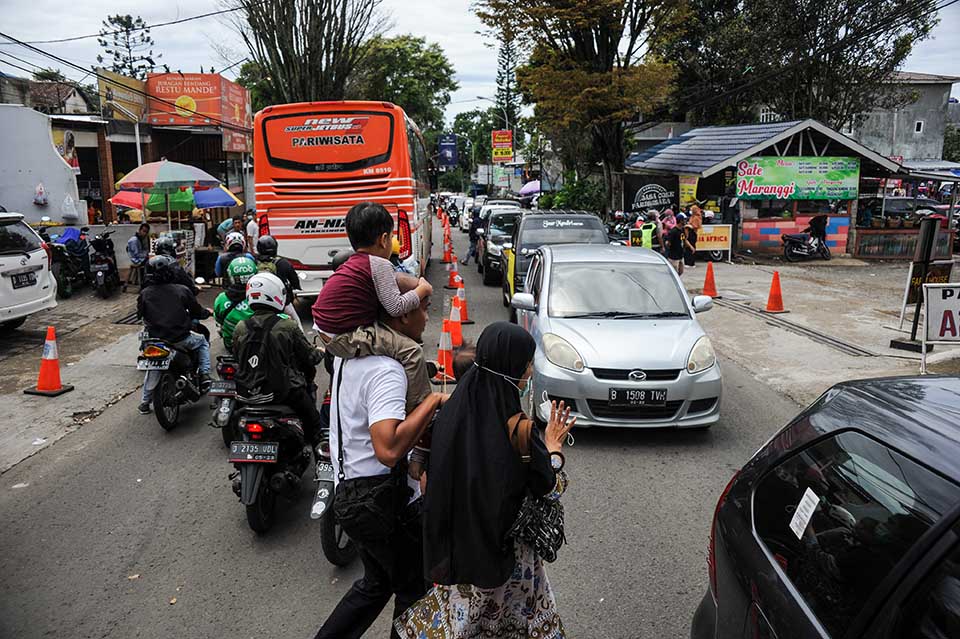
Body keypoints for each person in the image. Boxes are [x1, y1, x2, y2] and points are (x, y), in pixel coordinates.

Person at [395, 322, 576, 638]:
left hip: (456, 558)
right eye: (527, 364)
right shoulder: (519, 429)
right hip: (506, 563)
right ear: (511, 369)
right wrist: (554, 449)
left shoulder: (450, 414)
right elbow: (549, 489)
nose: (530, 372)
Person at [314, 277, 445, 639]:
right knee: (414, 591)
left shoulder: (348, 358)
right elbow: (388, 450)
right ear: (400, 318)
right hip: (379, 501)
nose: (426, 317)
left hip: (350, 494)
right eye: (422, 308)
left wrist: (428, 373)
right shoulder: (387, 370)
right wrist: (433, 401)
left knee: (377, 584)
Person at [232, 272, 323, 447]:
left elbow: (238, 356)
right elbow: (309, 357)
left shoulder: (240, 327)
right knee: (315, 424)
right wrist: (320, 352)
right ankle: (322, 462)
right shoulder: (287, 326)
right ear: (277, 295)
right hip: (284, 392)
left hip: (246, 393)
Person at [137, 255, 212, 415]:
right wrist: (207, 313)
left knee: (153, 366)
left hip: (155, 341)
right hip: (181, 339)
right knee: (203, 341)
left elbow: (140, 315)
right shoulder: (182, 290)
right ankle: (205, 375)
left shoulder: (145, 293)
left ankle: (144, 401)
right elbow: (197, 311)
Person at [213, 256, 257, 349]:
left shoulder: (221, 299)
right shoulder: (260, 296)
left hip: (231, 345)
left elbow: (218, 319)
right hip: (256, 345)